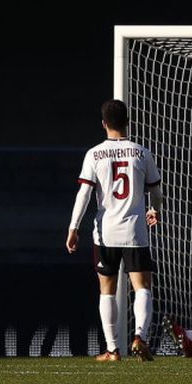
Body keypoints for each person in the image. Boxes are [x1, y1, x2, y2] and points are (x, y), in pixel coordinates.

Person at [66, 99, 163, 362]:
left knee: (106, 290)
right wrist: (153, 210)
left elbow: (84, 193)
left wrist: (73, 227)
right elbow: (156, 191)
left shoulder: (94, 154)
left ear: (104, 124)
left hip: (106, 231)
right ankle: (140, 337)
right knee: (142, 288)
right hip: (135, 231)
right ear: (128, 122)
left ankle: (112, 350)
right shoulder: (142, 152)